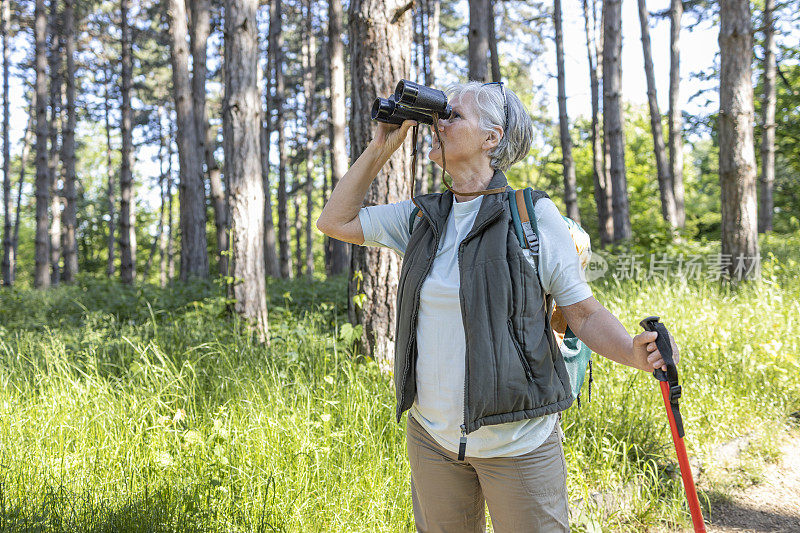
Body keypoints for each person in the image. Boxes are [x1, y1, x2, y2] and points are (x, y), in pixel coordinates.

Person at [316, 81, 680, 533]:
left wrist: (632, 352)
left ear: (492, 138)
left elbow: (582, 313)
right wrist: (381, 147)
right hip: (432, 438)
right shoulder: (422, 218)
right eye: (438, 115)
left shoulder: (532, 216)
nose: (437, 124)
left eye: (453, 115)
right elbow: (334, 221)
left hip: (518, 441)